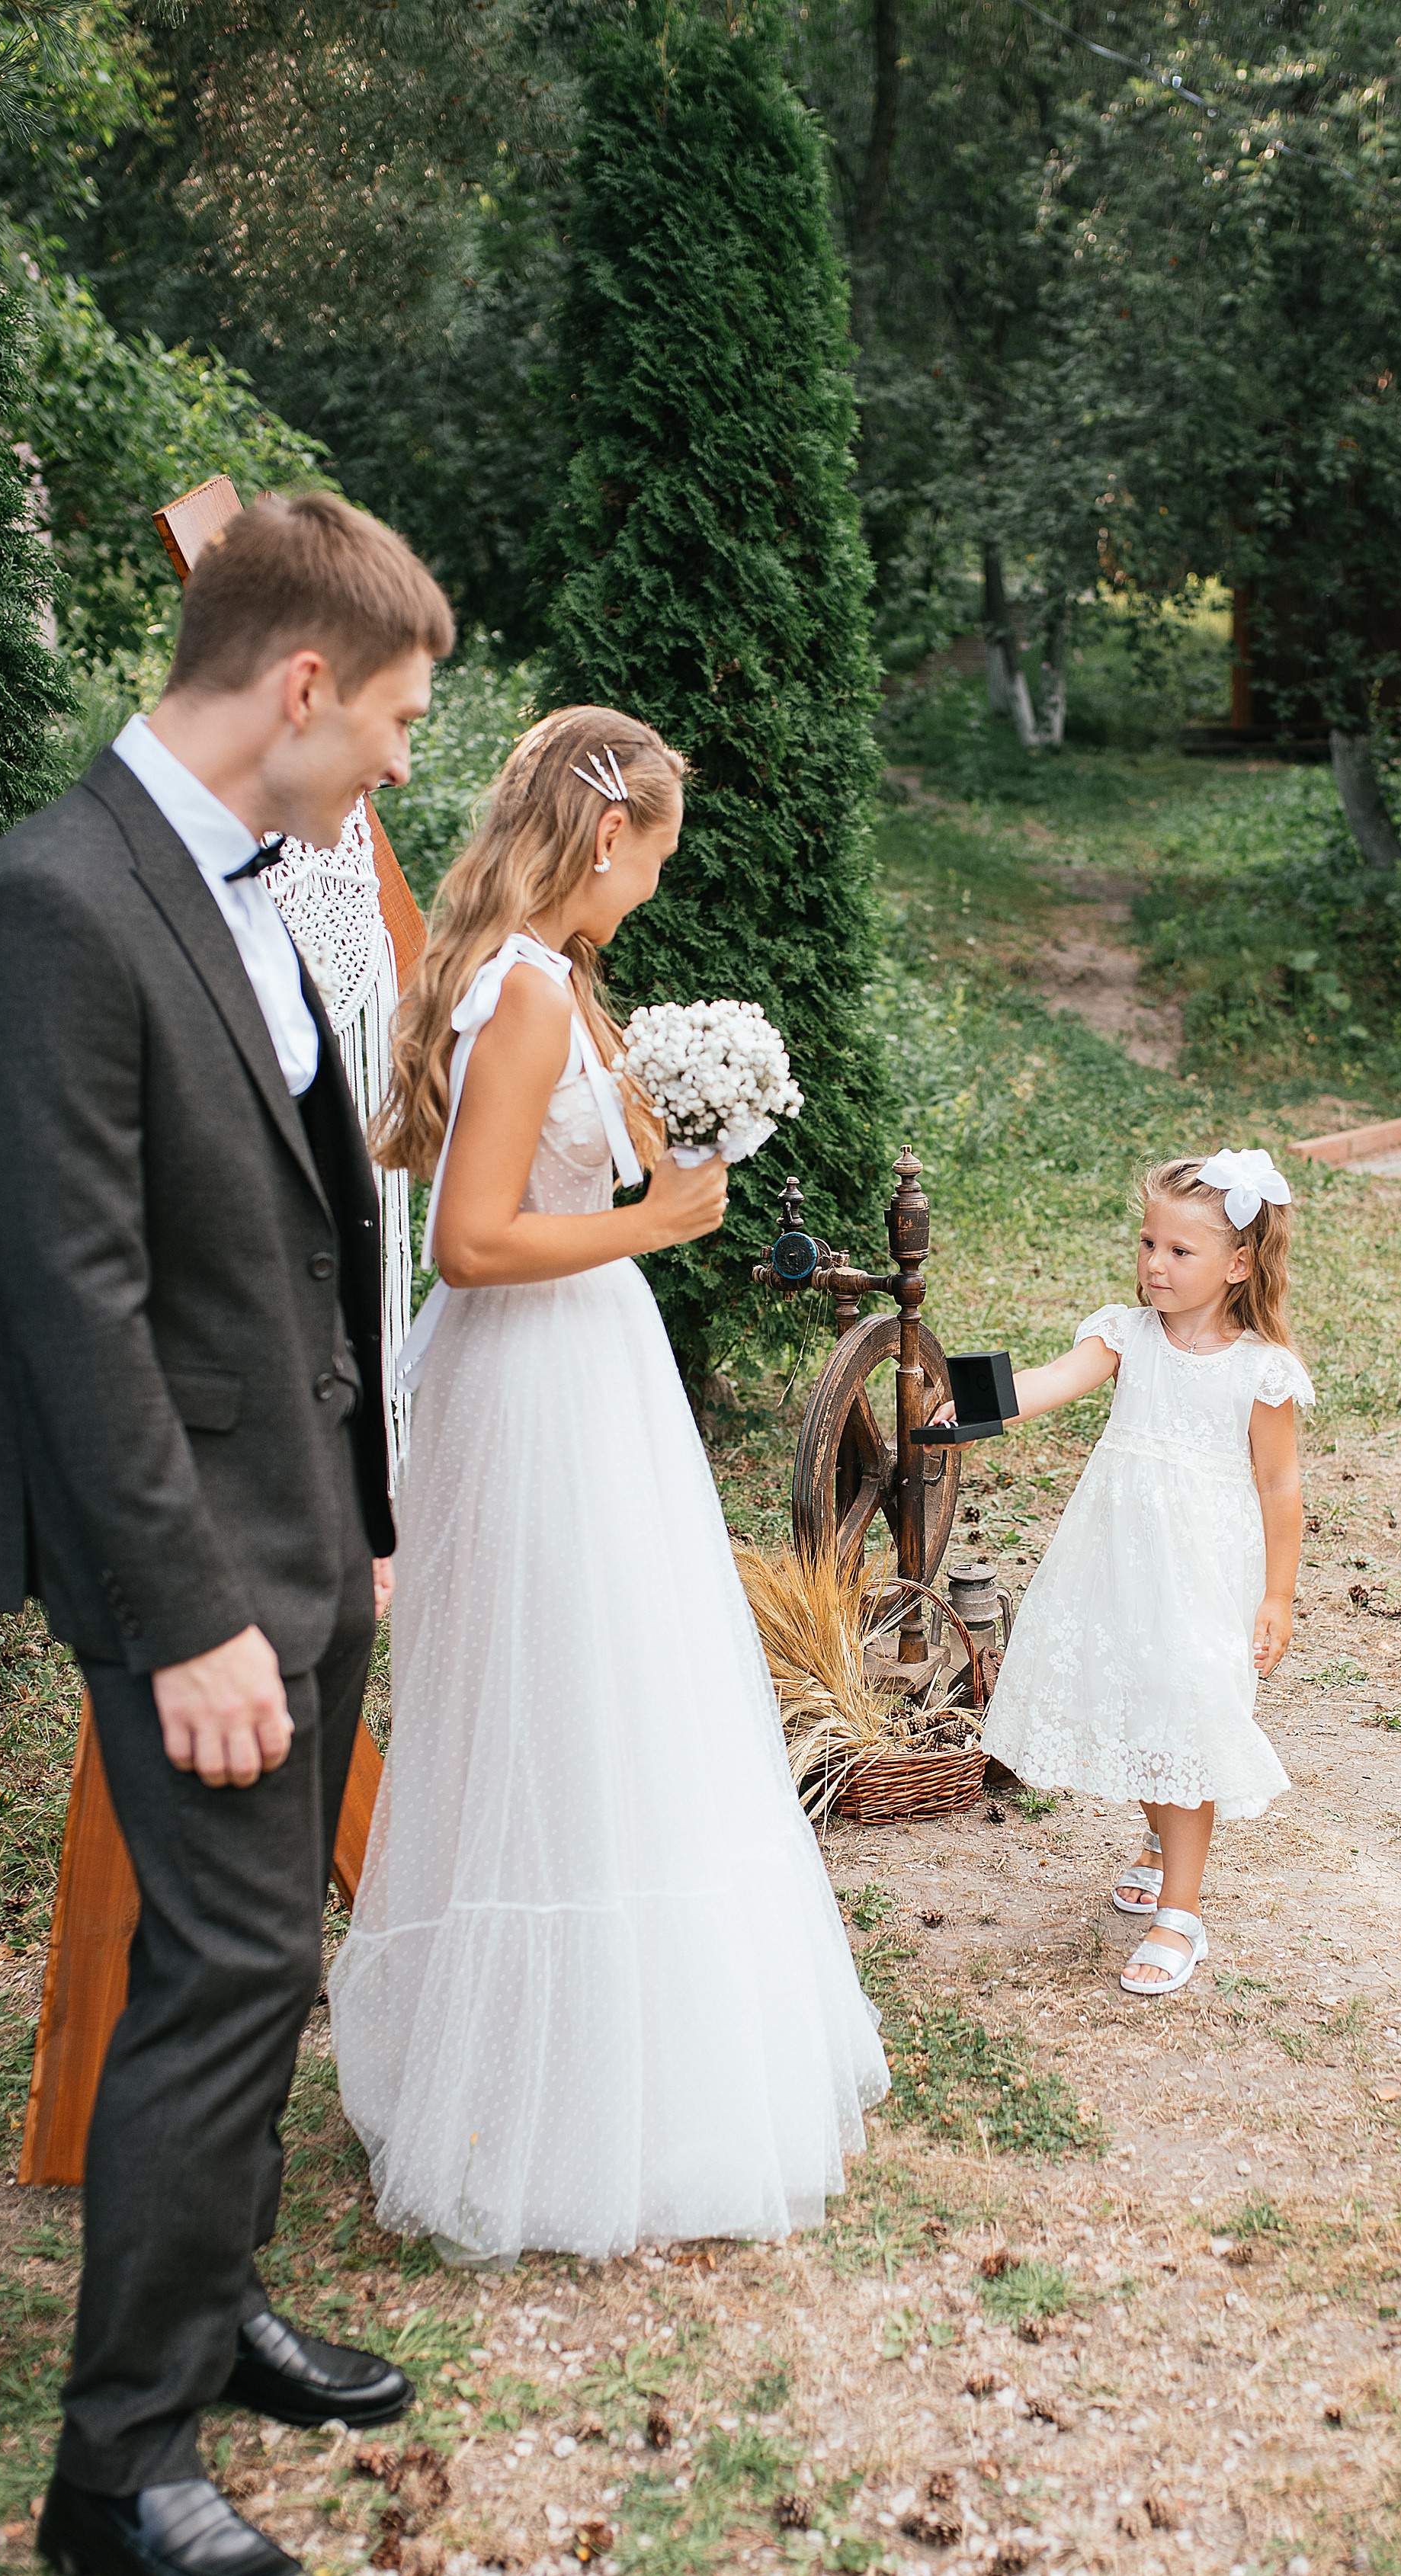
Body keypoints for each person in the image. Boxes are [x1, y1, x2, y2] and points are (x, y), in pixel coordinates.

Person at [0, 494, 456, 2576]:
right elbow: (75, 1305)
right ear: (302, 684)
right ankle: (120, 2459)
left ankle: (222, 2297)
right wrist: (191, 1619)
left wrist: (361, 1525)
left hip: (302, 1530)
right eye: (405, 719)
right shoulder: (54, 903)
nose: (410, 765)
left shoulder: (263, 880)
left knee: (259, 1955)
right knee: (232, 1962)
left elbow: (307, 1232)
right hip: (189, 1564)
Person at [327, 704, 887, 2261]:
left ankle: (610, 2066)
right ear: (598, 839)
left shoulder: (565, 985)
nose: (653, 884)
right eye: (652, 855)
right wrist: (650, 1227)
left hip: (595, 1369)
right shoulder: (515, 996)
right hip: (529, 1378)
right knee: (543, 1699)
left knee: (619, 1691)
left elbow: (623, 1168)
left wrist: (696, 1114)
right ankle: (520, 2085)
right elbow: (471, 1240)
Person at [960, 1149, 1311, 2000]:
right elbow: (1049, 1380)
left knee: (1186, 1711)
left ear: (1236, 1265)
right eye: (1148, 1242)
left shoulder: (1258, 1372)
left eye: (1179, 1251)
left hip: (1201, 1568)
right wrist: (962, 1398)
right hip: (1117, 1562)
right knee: (1141, 1700)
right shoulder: (1124, 1335)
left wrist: (1276, 1594)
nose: (1155, 1263)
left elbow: (1279, 1484)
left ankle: (1179, 1916)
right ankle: (1160, 1847)